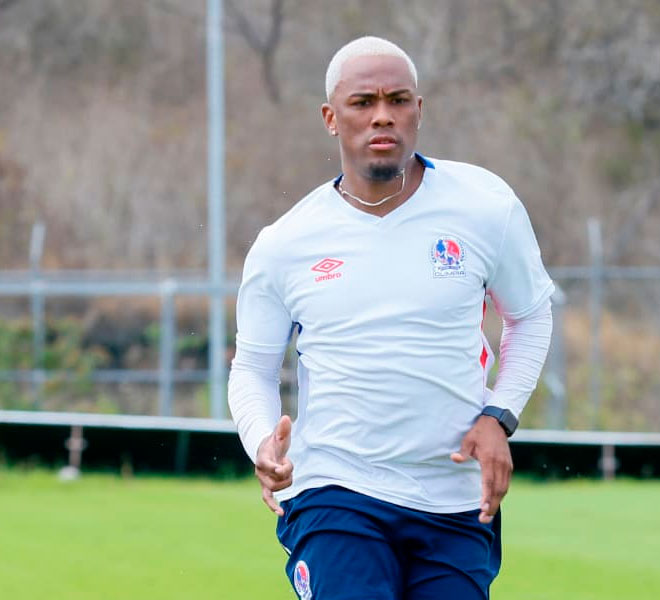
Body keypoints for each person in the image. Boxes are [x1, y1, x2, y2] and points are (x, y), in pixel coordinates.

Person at [229, 36, 554, 600]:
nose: (383, 115)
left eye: (398, 100)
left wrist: (499, 416)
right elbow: (252, 368)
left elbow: (530, 317)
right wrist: (262, 441)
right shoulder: (285, 243)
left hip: (455, 499)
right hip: (334, 491)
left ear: (418, 110)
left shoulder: (485, 206)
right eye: (363, 102)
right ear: (331, 118)